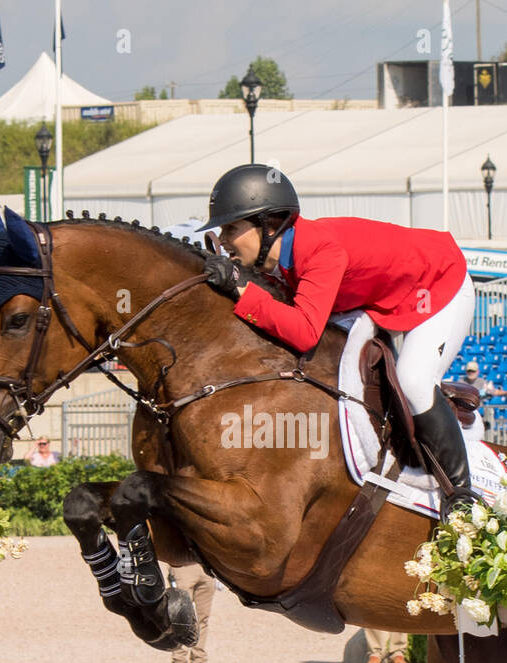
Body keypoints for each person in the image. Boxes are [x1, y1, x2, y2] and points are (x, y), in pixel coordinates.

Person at [200, 163, 479, 519]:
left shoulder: (319, 250)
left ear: (268, 224)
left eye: (231, 228)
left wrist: (241, 290)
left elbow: (303, 332)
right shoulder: (283, 260)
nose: (222, 239)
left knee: (413, 379)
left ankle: (462, 495)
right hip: (383, 299)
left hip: (439, 285)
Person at [166, 565, 220, 663]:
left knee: (203, 618)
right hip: (182, 568)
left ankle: (199, 662)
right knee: (180, 617)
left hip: (206, 569)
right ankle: (179, 662)